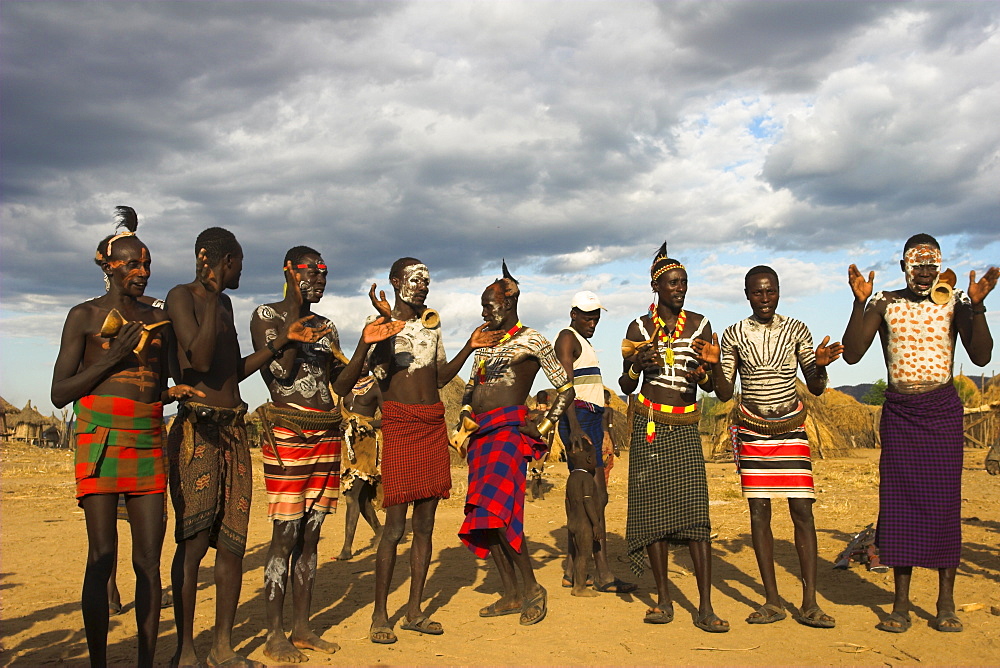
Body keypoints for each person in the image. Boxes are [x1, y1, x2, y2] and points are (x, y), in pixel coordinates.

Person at [165, 228, 330, 668]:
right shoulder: (181, 297)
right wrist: (210, 298)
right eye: (235, 263)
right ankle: (185, 651)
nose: (240, 271)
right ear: (213, 259)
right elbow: (198, 362)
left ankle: (222, 648)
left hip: (233, 429)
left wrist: (283, 341)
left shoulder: (225, 303)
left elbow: (234, 371)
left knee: (233, 544)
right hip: (197, 430)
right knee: (195, 542)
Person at [51, 206, 203, 668]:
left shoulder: (159, 319)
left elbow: (164, 379)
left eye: (147, 264)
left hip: (146, 437)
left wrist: (173, 391)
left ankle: (144, 662)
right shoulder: (83, 316)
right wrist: (111, 358)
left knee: (147, 564)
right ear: (107, 264)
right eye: (133, 263)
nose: (143, 271)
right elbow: (59, 393)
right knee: (101, 556)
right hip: (98, 438)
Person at [249, 246, 402, 662]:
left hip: (325, 435)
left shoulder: (327, 327)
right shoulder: (268, 317)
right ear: (288, 271)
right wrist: (292, 335)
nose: (318, 280)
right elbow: (278, 372)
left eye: (324, 275)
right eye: (311, 273)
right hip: (287, 436)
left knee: (312, 536)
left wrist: (364, 347)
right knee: (285, 534)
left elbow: (344, 384)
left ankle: (302, 628)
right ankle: (274, 634)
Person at [841, 234, 996, 633]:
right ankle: (900, 604)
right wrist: (859, 303)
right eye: (918, 266)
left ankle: (946, 602)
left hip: (942, 411)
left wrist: (977, 307)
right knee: (897, 506)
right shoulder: (884, 303)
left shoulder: (956, 302)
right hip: (901, 412)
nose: (926, 274)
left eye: (932, 266)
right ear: (904, 266)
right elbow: (854, 352)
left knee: (944, 504)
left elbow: (981, 356)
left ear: (940, 266)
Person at [359, 257, 502, 644]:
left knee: (425, 527)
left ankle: (414, 610)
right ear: (395, 282)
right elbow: (380, 370)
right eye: (414, 280)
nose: (422, 286)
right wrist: (387, 326)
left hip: (432, 423)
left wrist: (470, 347)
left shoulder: (430, 327)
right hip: (402, 426)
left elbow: (438, 377)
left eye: (426, 281)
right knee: (394, 529)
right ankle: (379, 615)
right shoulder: (381, 330)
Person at [695, 265, 842, 629]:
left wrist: (820, 366)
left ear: (779, 292)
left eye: (771, 291)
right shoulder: (733, 335)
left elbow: (817, 385)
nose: (765, 298)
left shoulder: (795, 330)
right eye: (758, 292)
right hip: (753, 431)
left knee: (803, 512)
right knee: (759, 513)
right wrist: (715, 366)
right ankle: (773, 601)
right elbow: (726, 392)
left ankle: (809, 603)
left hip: (791, 430)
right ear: (747, 295)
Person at [456, 262, 574, 626]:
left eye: (487, 304)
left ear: (507, 303)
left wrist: (545, 426)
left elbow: (565, 389)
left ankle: (533, 588)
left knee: (501, 514)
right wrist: (463, 416)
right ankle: (510, 593)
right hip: (479, 436)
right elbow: (471, 388)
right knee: (484, 518)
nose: (483, 311)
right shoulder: (485, 344)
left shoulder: (534, 340)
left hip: (508, 434)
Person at [619, 243, 728, 632]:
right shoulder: (638, 328)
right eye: (672, 283)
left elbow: (715, 385)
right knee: (653, 514)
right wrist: (636, 364)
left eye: (683, 282)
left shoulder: (700, 325)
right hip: (649, 425)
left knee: (696, 516)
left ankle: (705, 606)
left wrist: (706, 374)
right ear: (656, 287)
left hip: (685, 428)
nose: (680, 289)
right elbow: (625, 383)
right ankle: (664, 600)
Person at [554, 290, 635, 593]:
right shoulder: (567, 337)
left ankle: (578, 571)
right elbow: (565, 386)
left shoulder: (584, 342)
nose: (592, 321)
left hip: (590, 420)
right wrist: (575, 428)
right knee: (590, 499)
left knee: (594, 499)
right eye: (587, 316)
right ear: (573, 314)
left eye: (596, 316)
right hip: (579, 421)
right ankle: (600, 574)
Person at [335, 358, 384, 561]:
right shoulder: (344, 387)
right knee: (360, 497)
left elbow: (389, 416)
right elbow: (338, 414)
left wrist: (369, 424)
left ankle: (347, 547)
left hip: (366, 447)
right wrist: (341, 423)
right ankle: (379, 531)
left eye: (367, 362)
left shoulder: (376, 387)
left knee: (351, 495)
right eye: (359, 362)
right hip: (347, 446)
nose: (363, 365)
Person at [564, 443, 602, 599]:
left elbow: (567, 502)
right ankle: (579, 587)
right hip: (584, 523)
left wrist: (570, 519)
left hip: (573, 521)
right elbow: (587, 501)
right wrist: (596, 524)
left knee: (577, 553)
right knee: (584, 555)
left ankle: (576, 581)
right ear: (588, 459)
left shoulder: (572, 477)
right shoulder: (586, 477)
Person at [601, 389, 619, 484]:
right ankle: (603, 488)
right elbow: (610, 428)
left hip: (596, 437)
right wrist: (615, 445)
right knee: (607, 465)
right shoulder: (608, 410)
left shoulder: (595, 410)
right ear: (608, 399)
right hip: (606, 439)